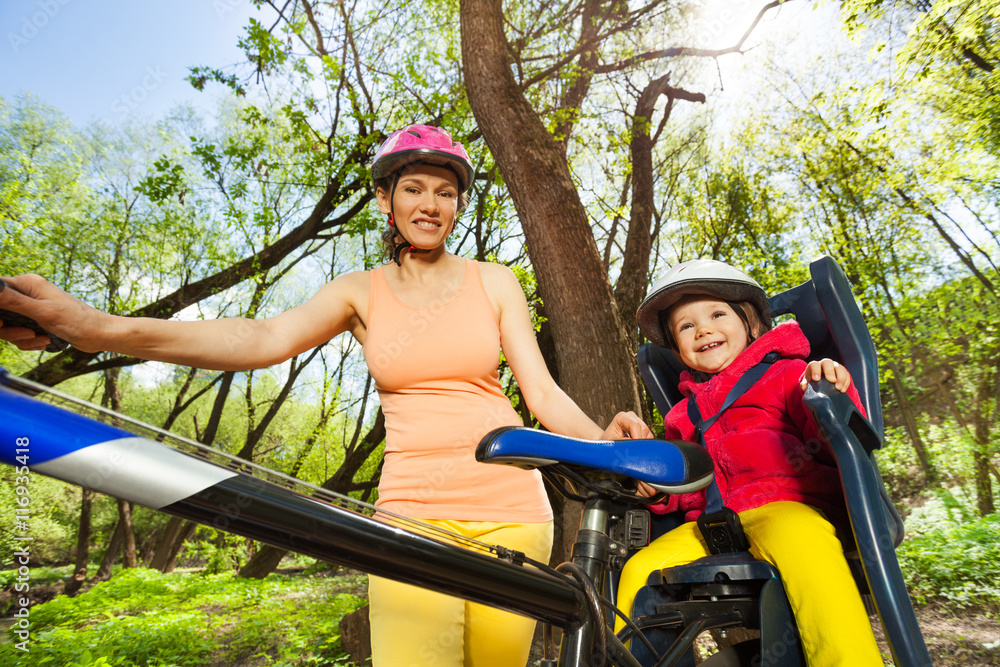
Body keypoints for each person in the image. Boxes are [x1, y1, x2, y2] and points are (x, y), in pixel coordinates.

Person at [0, 123, 652, 667]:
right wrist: (98, 328)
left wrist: (606, 445)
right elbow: (258, 338)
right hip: (411, 517)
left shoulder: (494, 281)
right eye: (414, 187)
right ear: (384, 199)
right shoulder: (359, 292)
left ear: (458, 205)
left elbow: (540, 393)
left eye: (446, 192)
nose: (430, 202)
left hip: (513, 512)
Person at [620, 259, 882, 666]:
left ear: (753, 325)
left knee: (805, 543)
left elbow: (838, 440)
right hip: (710, 527)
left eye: (717, 314)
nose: (702, 329)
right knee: (638, 572)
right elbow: (681, 488)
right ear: (678, 350)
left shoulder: (788, 375)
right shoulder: (680, 417)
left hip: (787, 507)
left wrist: (828, 391)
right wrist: (653, 488)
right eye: (685, 327)